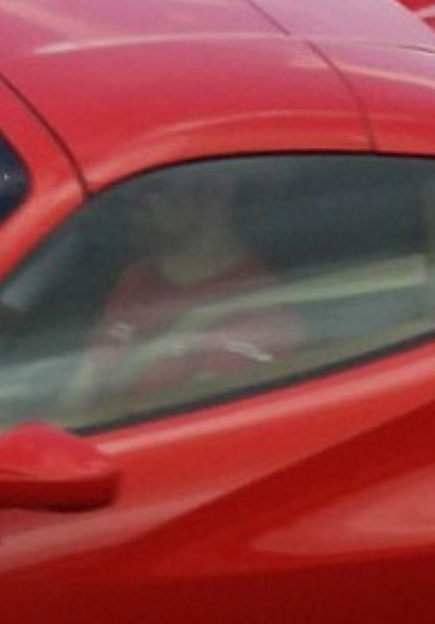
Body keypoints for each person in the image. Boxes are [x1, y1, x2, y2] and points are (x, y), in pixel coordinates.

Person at [58, 159, 306, 425]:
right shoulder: (138, 277)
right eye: (131, 187)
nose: (131, 200)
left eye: (153, 185)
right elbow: (83, 385)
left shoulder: (257, 318)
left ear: (215, 190)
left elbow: (198, 433)